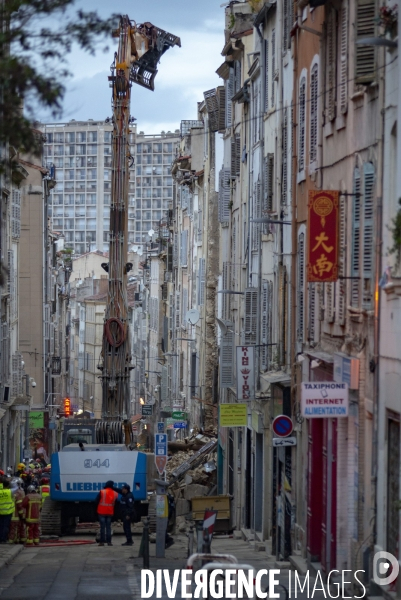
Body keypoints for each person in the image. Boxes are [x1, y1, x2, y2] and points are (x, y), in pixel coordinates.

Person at [95, 480, 118, 547]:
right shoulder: (115, 493)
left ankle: (102, 542)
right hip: (110, 512)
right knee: (108, 527)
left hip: (101, 512)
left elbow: (96, 501)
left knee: (102, 527)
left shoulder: (102, 492)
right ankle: (109, 542)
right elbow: (115, 504)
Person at [8, 479, 25, 544]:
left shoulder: (8, 492)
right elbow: (20, 505)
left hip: (8, 514)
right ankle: (15, 541)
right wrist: (22, 514)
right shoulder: (18, 493)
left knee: (11, 529)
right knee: (16, 529)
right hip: (16, 515)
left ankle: (11, 540)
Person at [0, 479, 15, 543]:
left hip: (0, 511)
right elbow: (16, 487)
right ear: (8, 485)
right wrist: (12, 481)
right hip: (8, 511)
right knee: (6, 526)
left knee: (0, 525)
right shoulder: (10, 491)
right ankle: (4, 539)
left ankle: (0, 538)